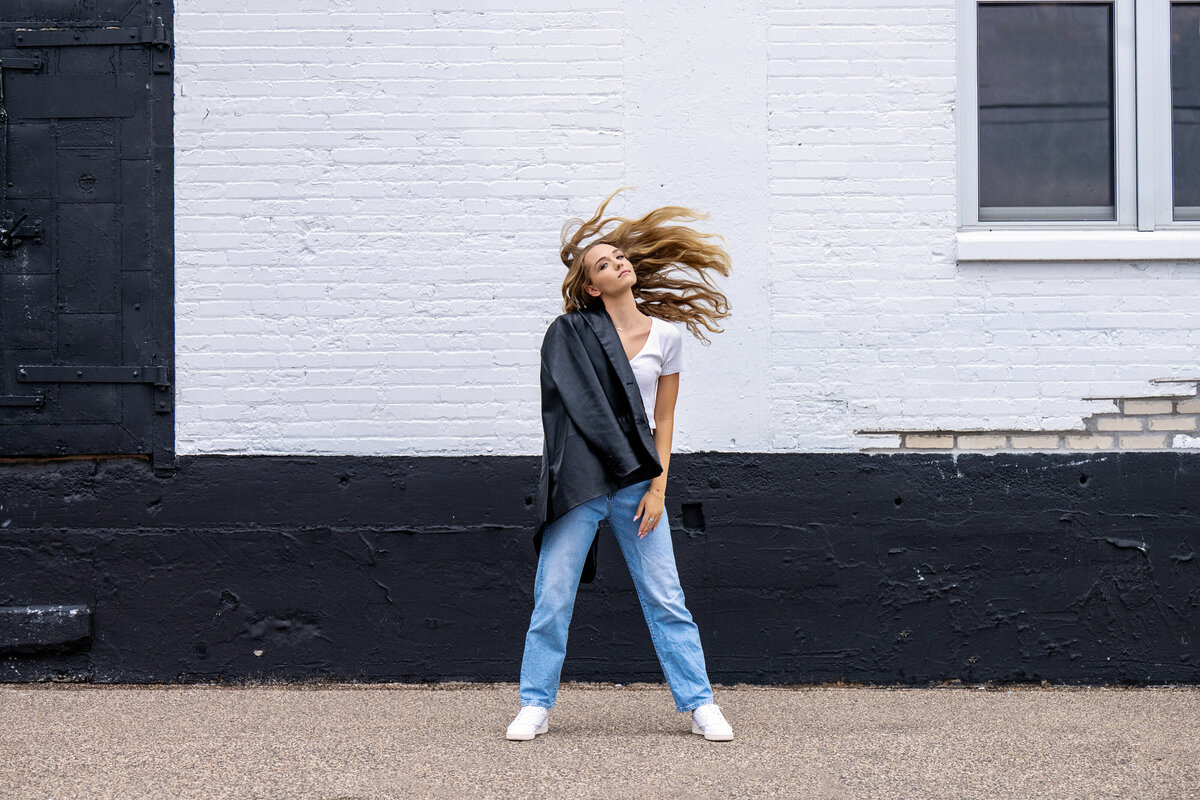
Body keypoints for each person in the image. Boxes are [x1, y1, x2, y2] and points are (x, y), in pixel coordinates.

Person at [507, 188, 734, 742]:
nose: (619, 263)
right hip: (581, 483)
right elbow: (568, 415)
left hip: (637, 486)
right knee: (553, 596)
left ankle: (700, 703)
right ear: (592, 286)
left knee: (666, 597)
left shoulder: (667, 337)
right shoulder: (569, 336)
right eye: (604, 263)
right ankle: (534, 703)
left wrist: (657, 489)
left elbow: (664, 422)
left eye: (620, 257)